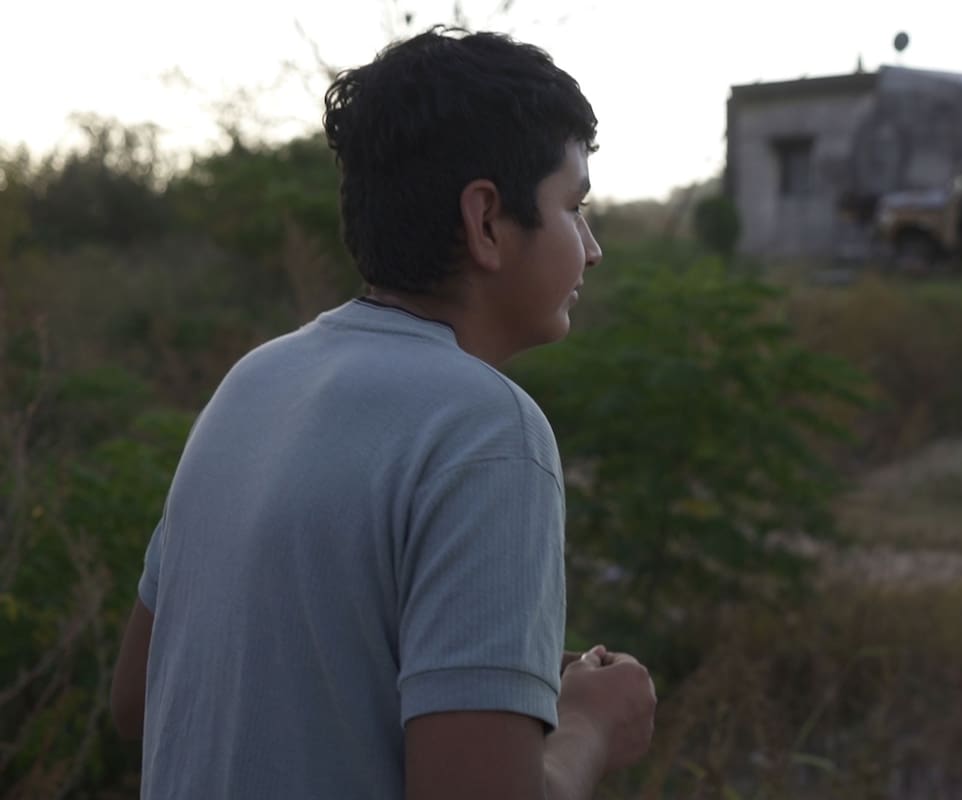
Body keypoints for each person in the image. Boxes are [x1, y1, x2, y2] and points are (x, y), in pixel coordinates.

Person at [109, 27, 657, 799]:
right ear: (488, 221)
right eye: (576, 206)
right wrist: (590, 727)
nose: (592, 248)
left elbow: (140, 700)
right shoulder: (488, 430)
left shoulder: (253, 382)